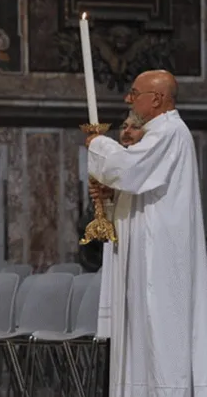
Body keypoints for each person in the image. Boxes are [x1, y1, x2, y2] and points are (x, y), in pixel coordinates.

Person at [87, 70, 207, 396]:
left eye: (134, 92)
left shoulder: (169, 132)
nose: (128, 98)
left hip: (162, 259)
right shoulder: (157, 134)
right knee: (142, 337)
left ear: (156, 99)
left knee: (162, 339)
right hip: (146, 256)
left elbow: (127, 170)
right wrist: (113, 200)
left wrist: (98, 143)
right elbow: (139, 186)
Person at [96, 111, 145, 340]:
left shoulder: (146, 167)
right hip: (118, 250)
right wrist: (105, 199)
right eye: (124, 126)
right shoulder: (120, 171)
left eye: (134, 128)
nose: (126, 132)